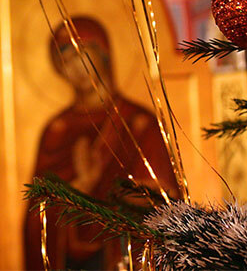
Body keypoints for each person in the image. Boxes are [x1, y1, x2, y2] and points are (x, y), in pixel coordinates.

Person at [23, 17, 179, 271]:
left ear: (103, 52)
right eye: (66, 60)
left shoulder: (139, 124)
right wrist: (80, 187)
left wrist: (117, 199)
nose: (76, 67)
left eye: (83, 53)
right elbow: (35, 220)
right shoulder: (56, 132)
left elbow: (164, 202)